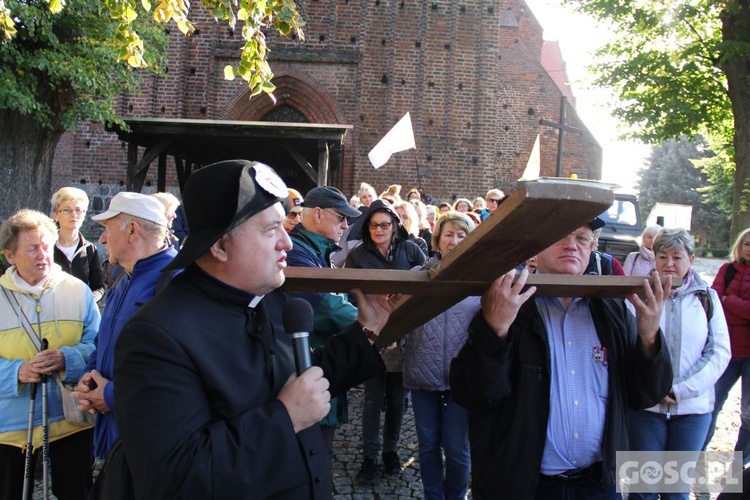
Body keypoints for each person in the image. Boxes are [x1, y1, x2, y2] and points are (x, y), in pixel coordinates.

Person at [112, 159, 397, 498]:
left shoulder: (267, 298)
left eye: (283, 227)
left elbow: (302, 383)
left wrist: (366, 331)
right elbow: (177, 478)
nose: (287, 244)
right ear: (219, 245)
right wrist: (284, 417)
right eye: (269, 229)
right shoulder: (154, 338)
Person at [450, 217, 674, 499]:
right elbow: (475, 394)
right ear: (535, 250)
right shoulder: (508, 306)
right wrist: (495, 329)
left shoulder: (611, 310)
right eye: (560, 236)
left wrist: (649, 335)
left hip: (598, 484)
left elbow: (644, 395)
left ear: (592, 248)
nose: (571, 245)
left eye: (582, 239)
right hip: (525, 485)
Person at [0, 209, 100, 500]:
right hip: (10, 430)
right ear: (10, 256)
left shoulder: (77, 291)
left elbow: (98, 344)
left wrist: (67, 359)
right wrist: (15, 373)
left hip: (70, 424)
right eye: (32, 248)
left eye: (46, 246)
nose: (42, 254)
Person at [72, 192, 177, 463]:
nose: (103, 239)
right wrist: (89, 378)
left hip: (151, 449)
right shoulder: (124, 279)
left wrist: (110, 395)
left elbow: (177, 373)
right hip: (118, 442)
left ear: (132, 230)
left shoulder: (176, 283)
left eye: (107, 229)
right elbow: (103, 343)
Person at [628, 229, 730, 500]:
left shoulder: (708, 298)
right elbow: (628, 346)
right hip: (646, 409)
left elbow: (719, 352)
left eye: (677, 257)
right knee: (642, 489)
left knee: (676, 490)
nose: (669, 263)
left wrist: (680, 389)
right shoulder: (637, 296)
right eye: (663, 256)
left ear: (692, 260)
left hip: (692, 411)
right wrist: (653, 387)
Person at [346, 199, 427, 483]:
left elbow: (426, 285)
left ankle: (390, 451)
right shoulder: (358, 256)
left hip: (403, 335)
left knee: (395, 400)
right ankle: (370, 457)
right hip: (373, 335)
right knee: (372, 399)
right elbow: (349, 295)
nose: (379, 230)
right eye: (373, 225)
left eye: (384, 225)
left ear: (395, 227)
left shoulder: (411, 250)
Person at [403, 211, 478, 500]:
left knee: (458, 450)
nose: (454, 241)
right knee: (428, 445)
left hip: (460, 381)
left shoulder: (479, 283)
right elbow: (400, 319)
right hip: (423, 375)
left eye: (462, 235)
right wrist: (405, 345)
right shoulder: (418, 276)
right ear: (437, 239)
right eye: (449, 234)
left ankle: (456, 497)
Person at [286, 185, 363, 457]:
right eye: (340, 217)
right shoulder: (296, 252)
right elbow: (327, 309)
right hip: (304, 371)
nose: (345, 225)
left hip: (317, 367)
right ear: (317, 214)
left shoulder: (315, 251)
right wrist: (373, 326)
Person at [704, 227, 750, 465]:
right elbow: (713, 298)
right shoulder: (727, 270)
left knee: (748, 415)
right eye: (747, 244)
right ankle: (695, 456)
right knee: (711, 405)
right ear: (740, 246)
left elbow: (723, 299)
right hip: (726, 351)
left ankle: (739, 466)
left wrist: (728, 301)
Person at [51, 187, 105, 302]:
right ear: (55, 215)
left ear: (84, 213)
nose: (73, 215)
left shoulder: (90, 249)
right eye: (67, 210)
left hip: (80, 314)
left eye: (78, 210)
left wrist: (89, 302)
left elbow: (98, 287)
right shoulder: (47, 247)